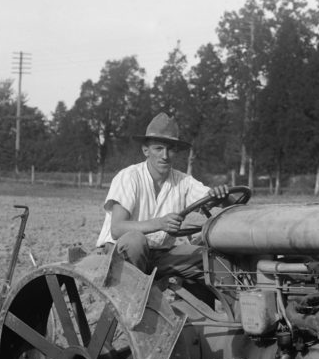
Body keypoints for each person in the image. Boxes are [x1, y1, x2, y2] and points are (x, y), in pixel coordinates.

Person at [96, 113, 229, 280]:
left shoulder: (184, 181)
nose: (165, 156)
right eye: (158, 148)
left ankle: (197, 305)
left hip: (159, 255)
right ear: (146, 150)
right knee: (135, 240)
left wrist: (220, 195)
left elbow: (209, 198)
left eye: (171, 149)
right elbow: (117, 229)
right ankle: (132, 300)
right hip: (120, 254)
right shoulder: (129, 177)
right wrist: (159, 223)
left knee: (208, 257)